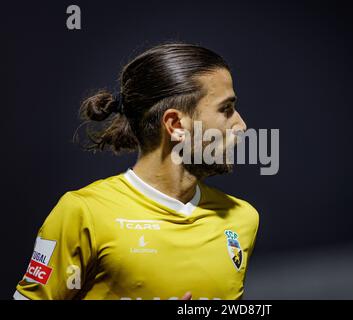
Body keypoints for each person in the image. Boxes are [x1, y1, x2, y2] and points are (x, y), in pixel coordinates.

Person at [13, 42, 259, 300]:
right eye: (226, 109)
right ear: (175, 124)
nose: (241, 125)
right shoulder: (83, 213)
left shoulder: (243, 219)